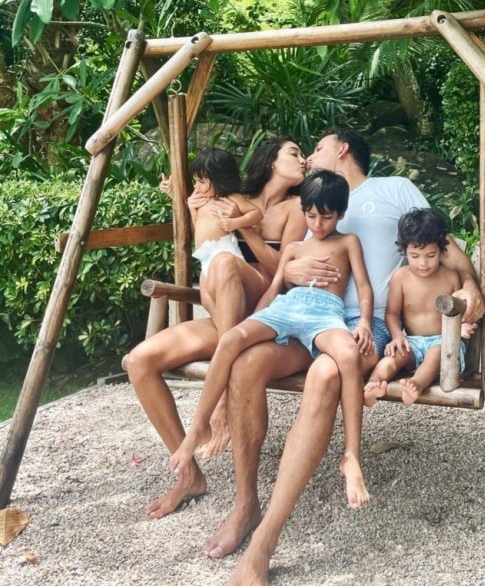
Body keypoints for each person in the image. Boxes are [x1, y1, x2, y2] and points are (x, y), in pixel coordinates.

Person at [201, 128, 485, 583]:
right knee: (247, 364)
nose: (310, 157)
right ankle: (245, 504)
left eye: (317, 148)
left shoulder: (393, 189)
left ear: (343, 149)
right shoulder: (314, 201)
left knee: (324, 377)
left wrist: (469, 285)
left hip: (366, 325)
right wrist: (292, 268)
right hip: (308, 314)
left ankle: (265, 540)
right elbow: (285, 263)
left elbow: (442, 243)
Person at [125, 136, 307, 518]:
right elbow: (204, 244)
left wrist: (247, 232)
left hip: (264, 313)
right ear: (271, 160)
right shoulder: (230, 195)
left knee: (224, 264)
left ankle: (222, 395)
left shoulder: (295, 208)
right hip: (224, 315)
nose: (304, 159)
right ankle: (189, 476)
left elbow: (285, 274)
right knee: (139, 362)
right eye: (295, 153)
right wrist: (188, 203)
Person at [170, 170, 374, 510]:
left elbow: (364, 287)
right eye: (311, 215)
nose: (318, 224)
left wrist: (364, 322)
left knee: (349, 355)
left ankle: (351, 456)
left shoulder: (347, 241)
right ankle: (197, 429)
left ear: (341, 213)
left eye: (326, 216)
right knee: (231, 339)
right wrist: (250, 324)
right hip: (287, 307)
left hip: (325, 312)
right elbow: (274, 290)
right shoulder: (294, 248)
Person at [364, 208, 479, 407]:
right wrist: (397, 337)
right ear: (404, 251)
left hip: (444, 342)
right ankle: (373, 384)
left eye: (430, 255)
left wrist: (460, 328)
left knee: (435, 353)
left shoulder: (451, 277)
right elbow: (392, 314)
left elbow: (459, 311)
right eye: (415, 256)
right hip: (412, 342)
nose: (423, 263)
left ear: (443, 252)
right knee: (394, 356)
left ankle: (415, 384)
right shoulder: (400, 277)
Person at [174, 147, 264, 316]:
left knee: (225, 291)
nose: (197, 187)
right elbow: (198, 228)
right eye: (195, 181)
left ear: (220, 179)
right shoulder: (202, 200)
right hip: (206, 259)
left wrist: (235, 223)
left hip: (224, 253)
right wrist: (192, 211)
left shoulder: (231, 198)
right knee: (208, 300)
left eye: (201, 182)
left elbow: (256, 213)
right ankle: (225, 328)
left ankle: (232, 326)